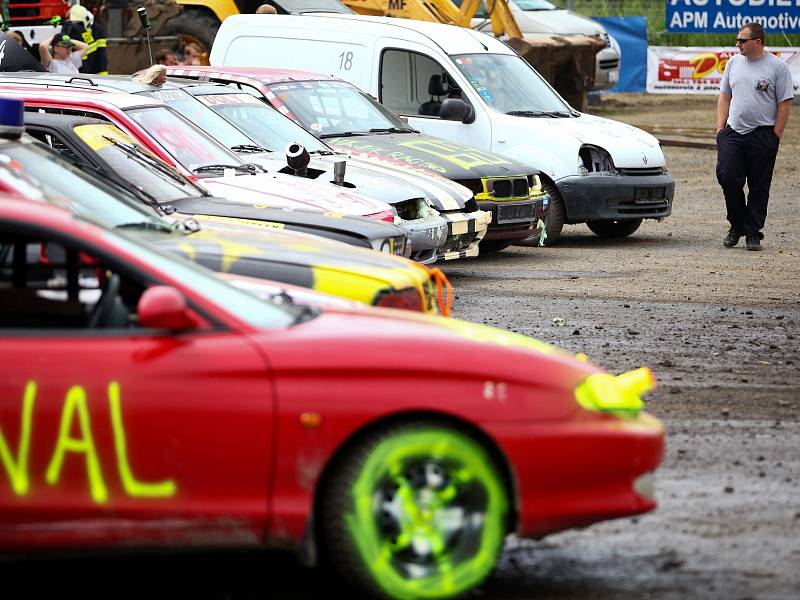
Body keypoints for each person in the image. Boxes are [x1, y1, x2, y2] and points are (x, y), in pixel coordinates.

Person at [716, 22, 793, 251]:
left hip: (763, 134)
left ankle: (753, 232)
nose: (737, 44)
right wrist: (720, 130)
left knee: (759, 186)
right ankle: (737, 224)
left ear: (757, 42)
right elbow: (724, 97)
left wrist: (775, 137)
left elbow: (784, 104)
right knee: (728, 177)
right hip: (734, 132)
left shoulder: (777, 67)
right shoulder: (733, 62)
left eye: (742, 40)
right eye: (738, 40)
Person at [62, 3, 108, 75]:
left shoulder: (74, 30)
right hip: (93, 74)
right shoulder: (95, 29)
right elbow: (102, 58)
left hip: (83, 74)